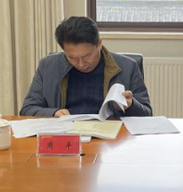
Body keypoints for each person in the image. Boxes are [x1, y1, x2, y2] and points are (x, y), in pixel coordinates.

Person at [21, 16, 152, 117]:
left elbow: (147, 113)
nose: (81, 64)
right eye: (72, 57)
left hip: (110, 136)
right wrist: (54, 113)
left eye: (87, 56)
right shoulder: (48, 66)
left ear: (99, 44)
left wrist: (130, 105)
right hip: (66, 135)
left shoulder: (128, 67)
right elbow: (28, 109)